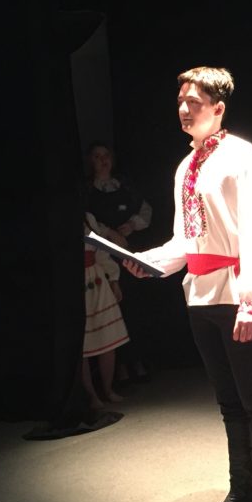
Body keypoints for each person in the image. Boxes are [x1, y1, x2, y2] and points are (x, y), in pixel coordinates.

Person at [125, 67, 252, 502]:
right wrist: (151, 263)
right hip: (200, 295)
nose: (183, 109)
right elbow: (186, 238)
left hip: (238, 296)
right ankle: (243, 493)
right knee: (228, 400)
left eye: (193, 101)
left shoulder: (243, 158)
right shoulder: (186, 166)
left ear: (218, 108)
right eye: (180, 101)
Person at [84, 142, 152, 382]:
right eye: (97, 156)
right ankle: (120, 367)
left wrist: (131, 225)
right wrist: (111, 234)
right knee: (116, 308)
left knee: (136, 306)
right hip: (105, 257)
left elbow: (145, 210)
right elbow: (89, 223)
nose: (103, 160)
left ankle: (138, 360)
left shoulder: (124, 186)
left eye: (106, 155)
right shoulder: (88, 192)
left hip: (130, 251)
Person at [81, 214, 127, 409]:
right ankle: (91, 395)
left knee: (108, 338)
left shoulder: (88, 218)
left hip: (97, 279)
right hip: (76, 282)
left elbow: (101, 251)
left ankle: (107, 389)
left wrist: (113, 279)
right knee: (82, 345)